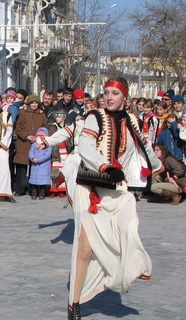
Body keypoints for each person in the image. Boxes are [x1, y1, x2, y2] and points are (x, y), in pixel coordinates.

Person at [67, 77, 160, 319]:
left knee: (127, 225)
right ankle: (74, 303)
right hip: (91, 188)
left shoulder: (133, 121)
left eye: (114, 93)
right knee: (86, 249)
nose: (109, 97)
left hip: (117, 188)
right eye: (106, 92)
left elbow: (145, 147)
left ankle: (133, 265)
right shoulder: (94, 117)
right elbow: (85, 145)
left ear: (125, 98)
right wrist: (105, 165)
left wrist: (160, 167)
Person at [13, 95, 47, 196]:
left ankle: (34, 188)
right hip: (23, 143)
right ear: (28, 104)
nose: (34, 105)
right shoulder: (23, 113)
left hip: (37, 143)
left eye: (36, 103)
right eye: (32, 103)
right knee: (21, 167)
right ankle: (20, 188)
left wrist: (39, 138)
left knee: (36, 166)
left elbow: (44, 128)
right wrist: (27, 136)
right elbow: (18, 127)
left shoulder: (42, 114)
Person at [28, 127, 52, 200]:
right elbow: (30, 152)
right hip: (35, 165)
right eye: (39, 135)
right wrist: (33, 158)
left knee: (42, 181)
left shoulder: (48, 145)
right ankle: (34, 193)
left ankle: (42, 193)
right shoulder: (34, 144)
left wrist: (39, 160)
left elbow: (47, 154)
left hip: (44, 165)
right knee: (34, 180)